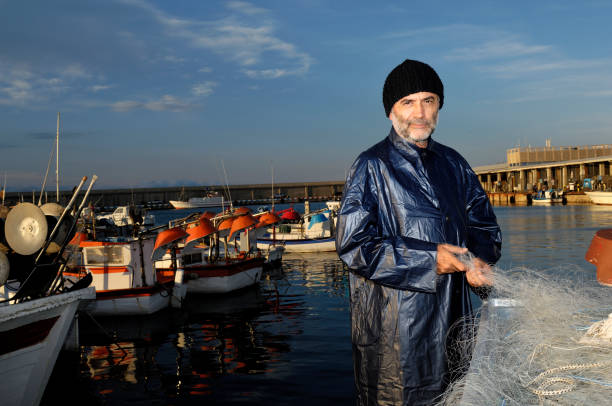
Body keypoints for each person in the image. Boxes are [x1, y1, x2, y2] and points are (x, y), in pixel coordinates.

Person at [335, 59, 502, 405]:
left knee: (455, 395)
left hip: (454, 322)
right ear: (390, 111)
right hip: (395, 335)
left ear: (439, 106)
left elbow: (484, 225)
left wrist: (480, 260)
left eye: (429, 100)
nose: (420, 112)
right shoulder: (371, 166)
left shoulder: (455, 164)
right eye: (408, 102)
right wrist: (430, 259)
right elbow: (354, 246)